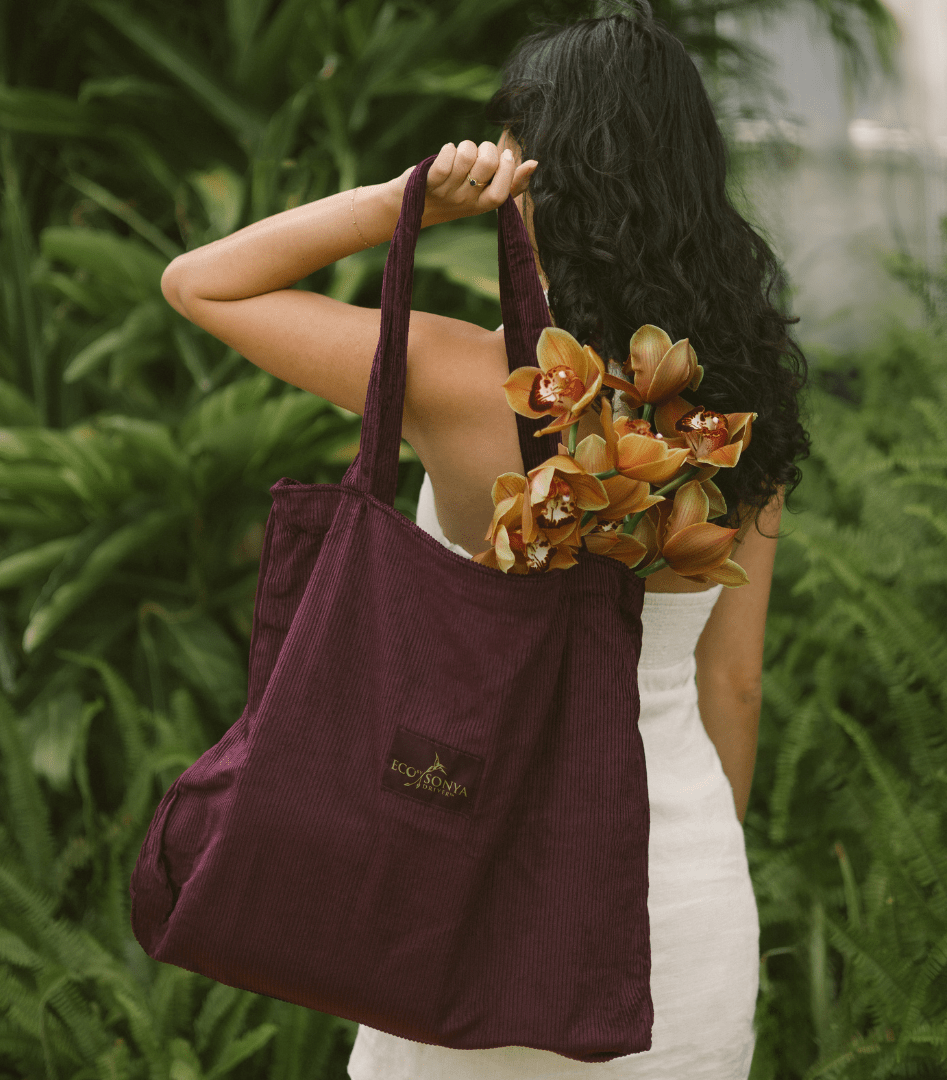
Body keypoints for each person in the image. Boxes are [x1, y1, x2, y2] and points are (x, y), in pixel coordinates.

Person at [160, 5, 809, 1077]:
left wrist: (402, 200)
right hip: (674, 909)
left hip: (467, 903)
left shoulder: (469, 382)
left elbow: (202, 281)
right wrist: (680, 864)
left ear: (546, 171)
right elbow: (731, 684)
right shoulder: (742, 417)